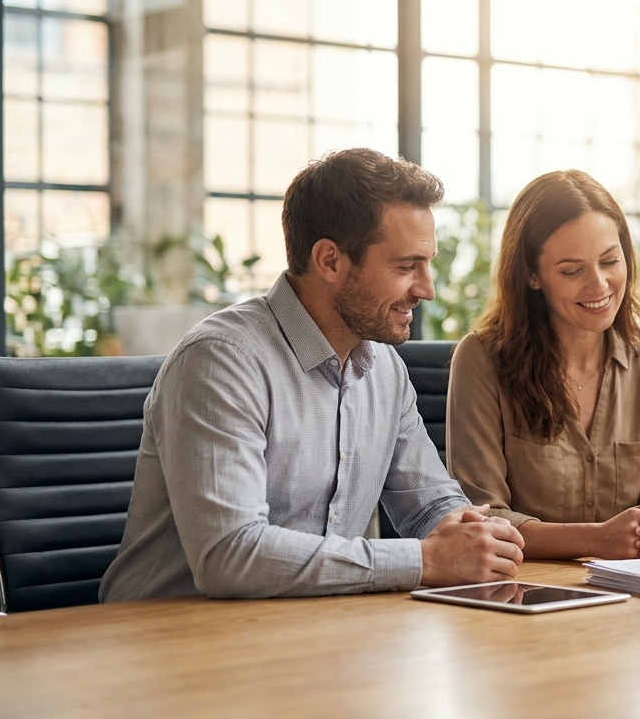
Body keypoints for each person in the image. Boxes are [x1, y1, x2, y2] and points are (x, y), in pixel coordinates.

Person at [100, 148, 525, 602]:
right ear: (329, 261)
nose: (427, 289)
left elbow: (431, 505)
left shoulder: (383, 368)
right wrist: (426, 560)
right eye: (405, 266)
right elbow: (229, 556)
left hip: (310, 633)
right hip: (171, 641)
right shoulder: (221, 360)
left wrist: (473, 534)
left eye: (427, 263)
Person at [447, 170, 640, 560]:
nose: (599, 285)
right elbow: (483, 518)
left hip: (636, 596)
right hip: (519, 596)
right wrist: (597, 540)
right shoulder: (482, 359)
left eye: (610, 261)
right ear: (531, 275)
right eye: (572, 271)